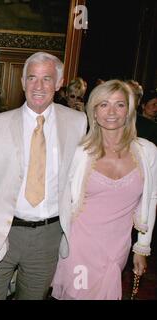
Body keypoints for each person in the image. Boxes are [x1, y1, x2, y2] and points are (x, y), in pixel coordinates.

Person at [0, 51, 87, 300]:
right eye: (32, 78)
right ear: (23, 82)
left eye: (46, 79)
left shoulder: (77, 122)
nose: (38, 86)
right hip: (3, 230)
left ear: (58, 83)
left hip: (48, 235)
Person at [51, 79, 157, 300]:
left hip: (117, 248)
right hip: (79, 246)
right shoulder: (80, 152)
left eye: (119, 104)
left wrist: (142, 246)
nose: (112, 112)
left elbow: (151, 199)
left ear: (129, 111)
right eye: (103, 104)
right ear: (94, 112)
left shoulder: (148, 152)